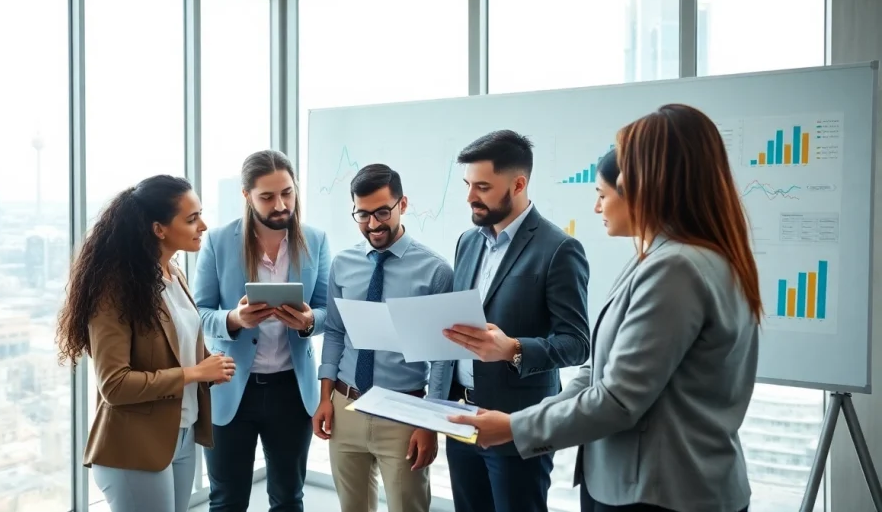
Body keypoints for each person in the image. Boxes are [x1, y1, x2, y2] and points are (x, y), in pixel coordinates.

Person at [451, 105, 759, 512]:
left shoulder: (675, 269)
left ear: (650, 185)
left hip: (661, 490)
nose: (598, 206)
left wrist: (514, 426)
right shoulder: (670, 259)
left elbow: (617, 398)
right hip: (652, 483)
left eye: (604, 192)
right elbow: (598, 375)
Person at [55, 175, 235, 512]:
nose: (203, 225)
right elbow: (115, 384)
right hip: (133, 445)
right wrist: (194, 373)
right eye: (191, 218)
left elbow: (176, 344)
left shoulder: (174, 274)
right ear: (159, 229)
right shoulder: (116, 289)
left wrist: (211, 365)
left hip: (180, 434)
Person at [437, 129, 591, 512]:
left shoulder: (559, 249)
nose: (470, 197)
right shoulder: (467, 242)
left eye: (483, 187)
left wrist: (514, 349)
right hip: (461, 418)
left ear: (519, 184)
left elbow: (576, 343)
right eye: (467, 185)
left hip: (516, 424)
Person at [195, 150, 330, 512]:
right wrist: (234, 320)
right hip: (230, 390)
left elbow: (328, 309)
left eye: (287, 193)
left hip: (291, 390)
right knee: (227, 500)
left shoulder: (315, 240)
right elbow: (199, 313)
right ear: (246, 196)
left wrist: (309, 322)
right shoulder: (219, 241)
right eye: (267, 197)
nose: (281, 204)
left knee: (288, 498)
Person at [314, 163, 453, 512]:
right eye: (363, 214)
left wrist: (429, 423)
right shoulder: (342, 264)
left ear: (402, 204)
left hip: (404, 414)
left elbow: (442, 356)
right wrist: (325, 397)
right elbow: (334, 331)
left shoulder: (435, 272)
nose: (373, 224)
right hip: (346, 405)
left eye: (382, 212)